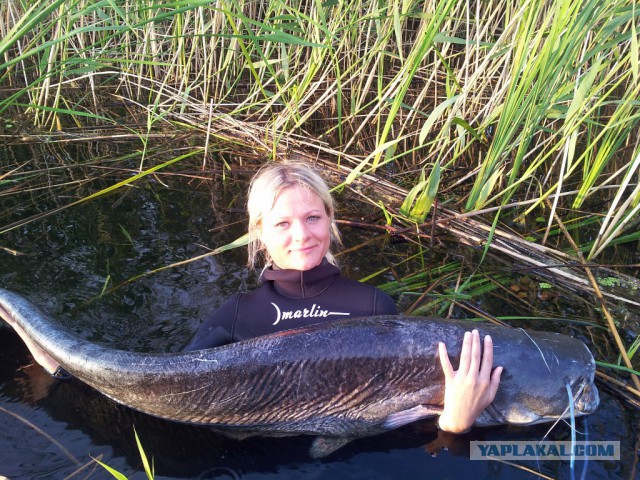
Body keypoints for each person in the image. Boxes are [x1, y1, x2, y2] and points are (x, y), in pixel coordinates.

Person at [4, 161, 502, 434]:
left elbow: (403, 433)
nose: (302, 235)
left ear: (331, 219)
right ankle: (48, 366)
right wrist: (66, 370)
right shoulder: (236, 315)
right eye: (282, 223)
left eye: (313, 218)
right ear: (259, 232)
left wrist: (455, 425)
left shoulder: (377, 308)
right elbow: (159, 395)